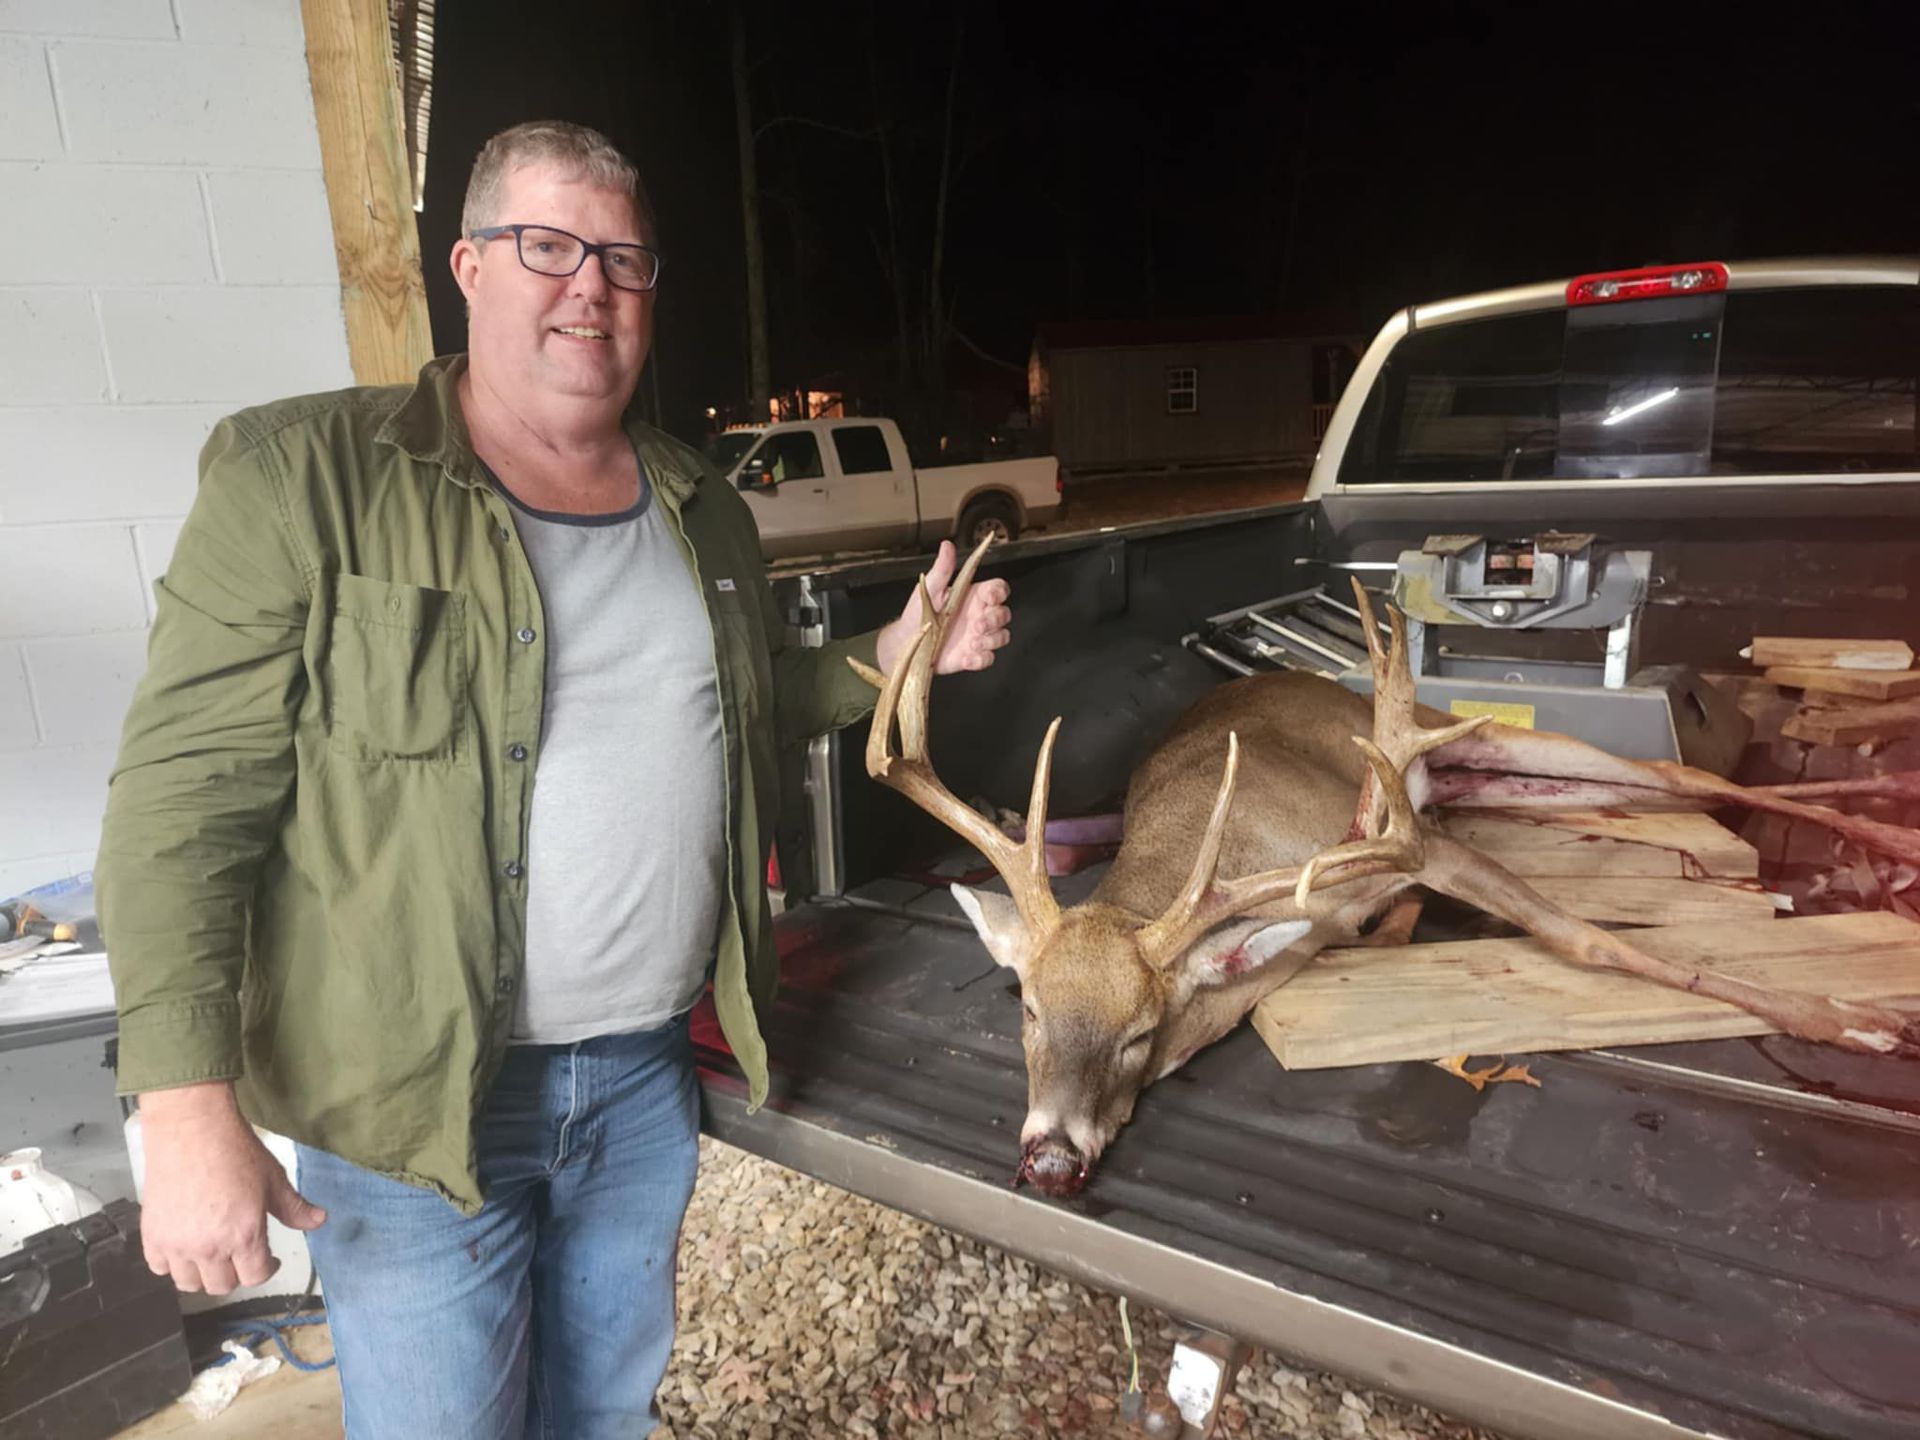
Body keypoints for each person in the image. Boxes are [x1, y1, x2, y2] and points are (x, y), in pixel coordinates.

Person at [96, 119, 1011, 1438]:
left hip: (640, 1083)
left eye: (625, 260)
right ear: (469, 268)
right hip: (416, 1113)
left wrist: (891, 655)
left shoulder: (704, 509)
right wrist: (186, 1109)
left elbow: (731, 720)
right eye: (548, 246)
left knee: (601, 1419)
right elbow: (180, 807)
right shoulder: (305, 481)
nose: (590, 284)